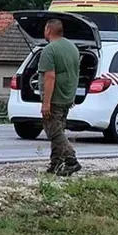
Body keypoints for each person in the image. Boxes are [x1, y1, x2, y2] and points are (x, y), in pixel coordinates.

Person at [38, 19, 82, 177]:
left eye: (44, 28)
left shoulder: (49, 50)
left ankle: (71, 160)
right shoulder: (73, 48)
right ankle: (55, 163)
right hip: (67, 96)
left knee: (53, 131)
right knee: (59, 129)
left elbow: (50, 77)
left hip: (55, 98)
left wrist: (46, 103)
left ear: (49, 30)